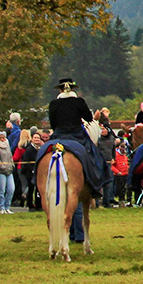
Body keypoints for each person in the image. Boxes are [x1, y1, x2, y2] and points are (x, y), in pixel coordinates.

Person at [44, 79, 108, 215]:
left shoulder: (54, 104)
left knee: (43, 153)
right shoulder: (79, 102)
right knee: (94, 156)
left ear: (60, 90)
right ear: (72, 89)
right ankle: (95, 184)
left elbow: (53, 124)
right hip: (76, 135)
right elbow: (89, 119)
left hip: (58, 136)